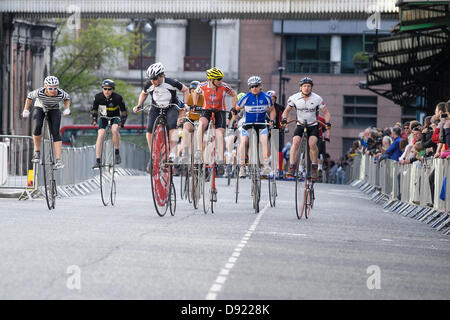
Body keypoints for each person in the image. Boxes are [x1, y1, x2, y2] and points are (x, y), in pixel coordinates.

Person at [133, 62, 189, 170]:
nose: (152, 81)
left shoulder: (171, 82)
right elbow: (144, 93)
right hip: (156, 108)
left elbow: (185, 90)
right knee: (149, 130)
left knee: (172, 126)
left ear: (161, 76)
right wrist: (139, 105)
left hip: (171, 107)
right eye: (150, 79)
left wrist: (185, 105)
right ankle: (153, 155)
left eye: (154, 79)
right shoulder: (149, 84)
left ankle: (173, 154)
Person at [281, 77, 331, 179]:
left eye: (309, 86)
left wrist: (328, 123)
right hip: (300, 125)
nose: (307, 88)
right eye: (304, 86)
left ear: (311, 88)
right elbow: (286, 111)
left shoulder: (317, 98)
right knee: (295, 142)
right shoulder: (294, 98)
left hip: (313, 125)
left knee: (312, 144)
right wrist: (284, 119)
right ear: (300, 88)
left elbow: (326, 112)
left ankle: (314, 165)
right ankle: (292, 166)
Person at [192, 67, 238, 175]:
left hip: (220, 111)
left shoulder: (224, 86)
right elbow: (195, 93)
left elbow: (234, 94)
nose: (220, 80)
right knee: (201, 125)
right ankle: (199, 151)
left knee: (220, 134)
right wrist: (195, 104)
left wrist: (233, 107)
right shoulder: (203, 86)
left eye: (221, 78)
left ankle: (220, 161)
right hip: (206, 109)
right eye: (218, 79)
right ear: (211, 79)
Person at [22, 75, 71, 169]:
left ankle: (58, 160)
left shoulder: (61, 93)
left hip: (54, 108)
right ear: (45, 87)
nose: (53, 90)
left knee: (56, 132)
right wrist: (26, 110)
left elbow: (67, 99)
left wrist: (67, 109)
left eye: (55, 88)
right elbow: (29, 97)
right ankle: (37, 152)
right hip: (40, 106)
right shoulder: (39, 92)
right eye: (50, 88)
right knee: (37, 126)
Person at [233, 76, 276, 178]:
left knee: (265, 140)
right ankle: (242, 167)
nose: (254, 88)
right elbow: (236, 109)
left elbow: (272, 110)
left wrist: (272, 120)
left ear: (260, 86)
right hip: (248, 125)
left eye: (256, 86)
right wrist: (235, 119)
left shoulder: (266, 97)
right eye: (252, 86)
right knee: (243, 142)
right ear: (249, 88)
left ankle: (266, 165)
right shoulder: (246, 97)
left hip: (261, 124)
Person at [91, 79, 127, 168]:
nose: (107, 91)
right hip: (104, 117)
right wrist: (94, 119)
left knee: (114, 130)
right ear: (102, 89)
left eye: (109, 89)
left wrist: (122, 122)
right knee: (101, 134)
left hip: (115, 117)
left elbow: (124, 111)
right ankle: (98, 160)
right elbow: (94, 109)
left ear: (113, 89)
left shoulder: (118, 97)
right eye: (105, 89)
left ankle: (117, 152)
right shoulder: (98, 97)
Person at [179, 80, 204, 164]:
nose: (194, 93)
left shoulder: (203, 98)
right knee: (186, 127)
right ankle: (185, 153)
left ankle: (201, 159)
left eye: (195, 91)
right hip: (190, 119)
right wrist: (181, 118)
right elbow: (182, 109)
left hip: (200, 121)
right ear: (190, 91)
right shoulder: (188, 98)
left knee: (199, 141)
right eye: (192, 91)